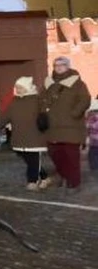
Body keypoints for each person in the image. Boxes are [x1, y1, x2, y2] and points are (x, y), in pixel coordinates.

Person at [40, 56, 90, 194]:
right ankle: (64, 175)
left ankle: (73, 183)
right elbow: (41, 100)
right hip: (52, 127)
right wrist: (42, 113)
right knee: (55, 154)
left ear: (68, 66)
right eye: (56, 65)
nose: (59, 67)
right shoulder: (48, 83)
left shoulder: (78, 83)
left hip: (71, 127)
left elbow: (85, 100)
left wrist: (75, 113)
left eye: (62, 64)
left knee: (71, 156)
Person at [0, 77, 49, 191]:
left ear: (27, 88)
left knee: (33, 159)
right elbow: (6, 115)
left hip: (35, 136)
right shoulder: (14, 101)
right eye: (17, 87)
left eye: (20, 87)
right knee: (29, 160)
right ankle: (45, 177)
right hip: (19, 137)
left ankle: (32, 181)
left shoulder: (37, 100)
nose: (17, 89)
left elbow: (46, 115)